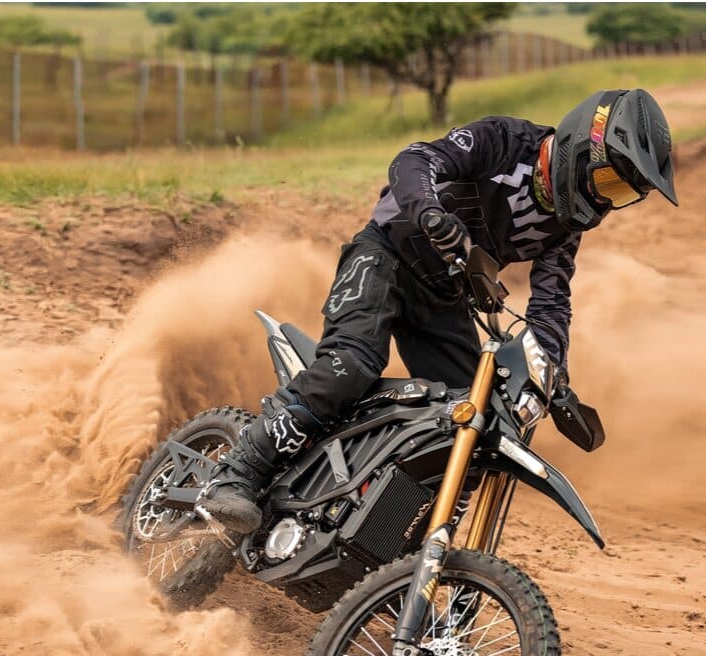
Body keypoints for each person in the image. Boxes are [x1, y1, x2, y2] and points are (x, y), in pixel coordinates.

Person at [196, 88, 678, 534]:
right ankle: (237, 473)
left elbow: (552, 302)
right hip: (385, 255)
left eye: (620, 194)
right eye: (607, 181)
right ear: (581, 148)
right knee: (351, 366)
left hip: (445, 298)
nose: (605, 199)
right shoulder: (505, 141)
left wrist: (551, 370)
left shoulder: (564, 227)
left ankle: (387, 540)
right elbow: (414, 160)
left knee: (474, 420)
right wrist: (429, 212)